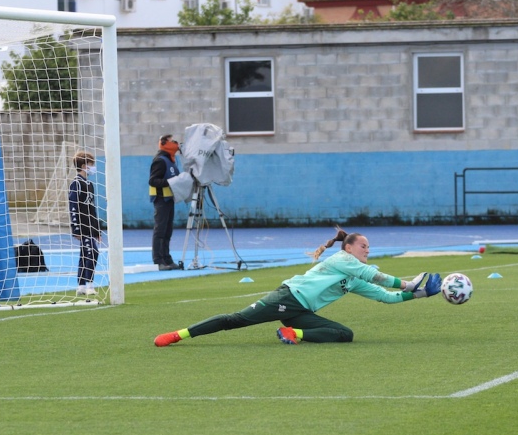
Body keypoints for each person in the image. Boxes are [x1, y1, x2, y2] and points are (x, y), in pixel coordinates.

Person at [154, 227, 442, 347]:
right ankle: (178, 335)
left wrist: (415, 294)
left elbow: (386, 298)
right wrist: (409, 283)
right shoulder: (343, 259)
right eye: (363, 246)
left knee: (345, 334)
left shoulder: (356, 275)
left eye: (368, 246)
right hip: (289, 297)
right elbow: (377, 277)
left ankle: (294, 332)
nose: (367, 249)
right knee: (236, 320)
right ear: (349, 247)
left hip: (301, 311)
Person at [69, 151, 101, 296]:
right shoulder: (76, 183)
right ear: (84, 166)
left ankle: (81, 285)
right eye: (91, 164)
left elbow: (92, 209)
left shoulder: (90, 184)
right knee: (92, 252)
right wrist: (75, 228)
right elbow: (73, 206)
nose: (93, 167)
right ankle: (89, 284)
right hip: (82, 226)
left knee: (85, 254)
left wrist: (97, 230)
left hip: (90, 226)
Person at [149, 134, 181, 270]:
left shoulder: (171, 160)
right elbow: (152, 180)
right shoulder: (160, 161)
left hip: (169, 199)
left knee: (168, 231)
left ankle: (167, 258)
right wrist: (171, 182)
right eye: (172, 141)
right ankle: (159, 260)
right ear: (164, 144)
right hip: (161, 199)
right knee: (160, 230)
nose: (175, 143)